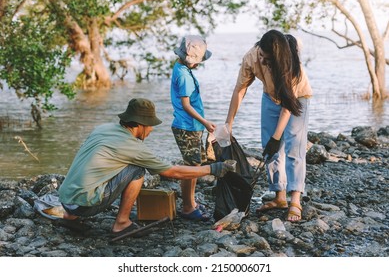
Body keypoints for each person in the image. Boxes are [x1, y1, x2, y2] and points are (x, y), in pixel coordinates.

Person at [58, 98, 233, 236]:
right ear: (141, 125)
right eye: (150, 126)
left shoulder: (103, 129)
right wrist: (212, 169)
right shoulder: (132, 147)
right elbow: (172, 172)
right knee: (137, 170)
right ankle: (122, 223)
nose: (151, 130)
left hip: (66, 200)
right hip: (84, 206)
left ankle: (70, 217)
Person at [225, 30, 312, 222]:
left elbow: (287, 108)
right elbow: (240, 89)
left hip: (296, 99)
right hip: (270, 97)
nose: (262, 60)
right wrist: (229, 123)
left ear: (278, 58)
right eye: (261, 55)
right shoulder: (252, 56)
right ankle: (280, 197)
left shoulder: (291, 65)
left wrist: (277, 137)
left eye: (268, 59)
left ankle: (295, 200)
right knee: (269, 147)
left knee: (293, 147)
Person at [170, 35, 216, 221]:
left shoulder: (180, 67)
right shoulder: (183, 75)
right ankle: (188, 207)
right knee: (192, 167)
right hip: (187, 126)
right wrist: (205, 122)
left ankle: (190, 202)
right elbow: (187, 106)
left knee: (194, 164)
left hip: (190, 125)